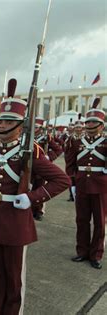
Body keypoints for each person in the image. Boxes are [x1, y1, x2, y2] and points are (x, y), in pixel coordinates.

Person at [0, 82, 70, 314]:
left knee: (14, 278)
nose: (2, 125)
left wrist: (33, 198)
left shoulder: (30, 153)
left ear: (20, 126)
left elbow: (63, 180)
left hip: (15, 222)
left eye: (8, 122)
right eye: (1, 121)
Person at [66, 98, 106, 270]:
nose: (90, 125)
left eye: (94, 122)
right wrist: (73, 180)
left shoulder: (105, 142)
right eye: (88, 122)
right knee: (81, 220)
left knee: (100, 222)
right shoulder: (77, 142)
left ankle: (96, 254)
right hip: (82, 184)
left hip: (100, 186)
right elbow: (70, 162)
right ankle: (82, 251)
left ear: (101, 125)